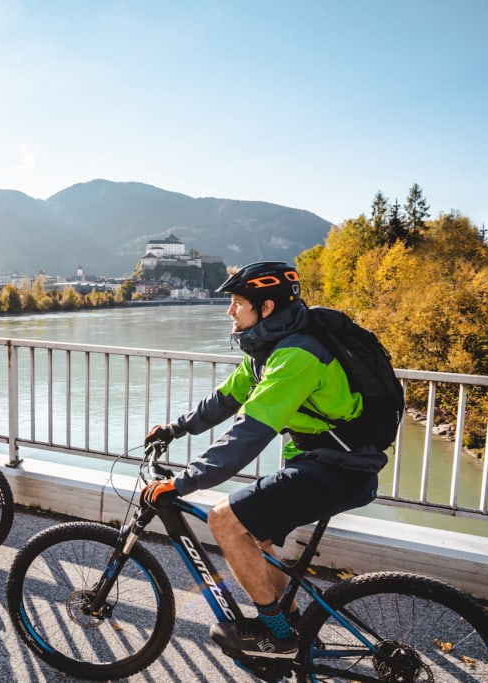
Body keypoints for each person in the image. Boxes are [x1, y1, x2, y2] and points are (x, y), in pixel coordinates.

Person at [141, 261, 387, 659]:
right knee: (255, 537)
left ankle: (277, 635)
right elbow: (225, 399)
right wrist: (175, 429)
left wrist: (183, 482)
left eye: (238, 303)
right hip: (320, 462)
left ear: (266, 308)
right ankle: (294, 626)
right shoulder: (268, 351)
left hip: (339, 470)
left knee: (224, 519)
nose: (230, 311)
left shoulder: (297, 355)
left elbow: (249, 433)